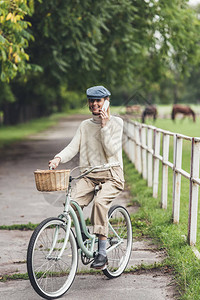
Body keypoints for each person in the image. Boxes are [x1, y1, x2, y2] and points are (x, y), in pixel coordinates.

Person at [49, 85, 124, 269]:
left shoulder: (117, 123)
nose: (94, 104)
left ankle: (102, 252)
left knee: (99, 204)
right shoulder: (84, 126)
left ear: (107, 102)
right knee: (72, 203)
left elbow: (111, 150)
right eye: (91, 101)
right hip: (90, 175)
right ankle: (83, 238)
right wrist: (58, 158)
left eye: (98, 100)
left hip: (112, 174)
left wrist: (105, 127)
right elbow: (73, 147)